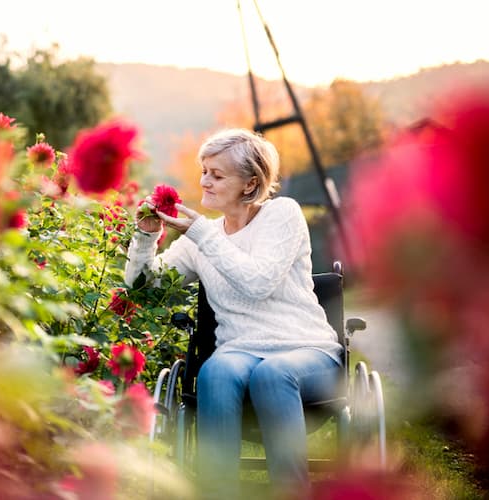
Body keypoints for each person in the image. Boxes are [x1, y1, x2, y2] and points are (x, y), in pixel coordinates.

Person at [125, 128, 343, 499]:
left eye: (216, 174)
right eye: (204, 171)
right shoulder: (203, 238)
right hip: (238, 353)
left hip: (307, 352)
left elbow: (257, 282)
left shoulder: (282, 215)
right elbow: (146, 287)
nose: (204, 181)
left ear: (249, 184)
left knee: (272, 373)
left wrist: (200, 235)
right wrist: (146, 237)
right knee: (216, 371)